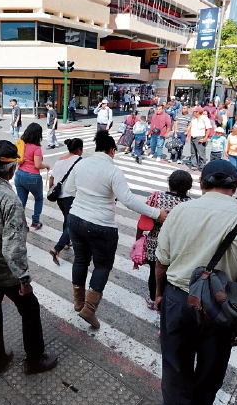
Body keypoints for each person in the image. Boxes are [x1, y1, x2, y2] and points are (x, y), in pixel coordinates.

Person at [154, 159, 237, 405]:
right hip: (221, 306)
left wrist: (159, 294)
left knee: (175, 366)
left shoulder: (180, 212)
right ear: (236, 185)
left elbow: (161, 263)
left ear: (201, 183)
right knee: (212, 368)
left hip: (178, 298)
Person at [0, 140, 58, 376]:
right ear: (11, 170)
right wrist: (24, 280)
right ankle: (35, 359)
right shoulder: (10, 200)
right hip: (6, 272)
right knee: (29, 309)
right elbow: (13, 249)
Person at [65, 131, 167, 329]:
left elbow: (69, 190)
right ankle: (89, 309)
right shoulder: (113, 171)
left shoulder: (81, 164)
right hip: (102, 226)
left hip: (75, 219)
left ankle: (78, 302)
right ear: (112, 151)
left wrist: (88, 195)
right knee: (102, 266)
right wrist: (156, 213)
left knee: (80, 260)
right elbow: (128, 200)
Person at [136, 171, 192, 310]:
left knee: (154, 274)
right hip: (177, 246)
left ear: (169, 183)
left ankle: (152, 299)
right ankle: (167, 299)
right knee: (170, 274)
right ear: (188, 187)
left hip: (155, 244)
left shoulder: (156, 197)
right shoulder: (191, 204)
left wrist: (138, 240)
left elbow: (143, 220)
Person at [49, 138, 83, 264]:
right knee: (72, 223)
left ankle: (67, 242)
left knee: (67, 218)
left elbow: (52, 179)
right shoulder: (79, 161)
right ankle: (57, 248)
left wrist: (51, 191)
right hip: (71, 197)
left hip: (59, 197)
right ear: (79, 149)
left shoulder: (59, 160)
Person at [14, 123, 50, 230]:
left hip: (19, 175)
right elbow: (37, 165)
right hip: (32, 177)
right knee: (38, 199)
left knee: (21, 201)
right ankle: (35, 221)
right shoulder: (36, 148)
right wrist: (47, 166)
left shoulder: (22, 144)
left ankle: (19, 223)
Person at [186, 107, 212, 171]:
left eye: (194, 112)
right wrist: (188, 136)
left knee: (201, 153)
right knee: (193, 152)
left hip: (200, 137)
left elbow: (208, 128)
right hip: (193, 137)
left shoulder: (204, 118)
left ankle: (203, 166)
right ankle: (194, 165)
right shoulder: (193, 119)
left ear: (197, 112)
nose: (193, 113)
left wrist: (205, 138)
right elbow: (191, 128)